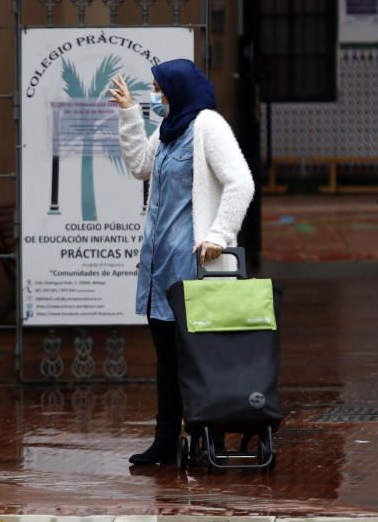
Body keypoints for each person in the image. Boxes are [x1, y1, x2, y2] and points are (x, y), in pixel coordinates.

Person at [108, 58, 255, 465]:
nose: (155, 96)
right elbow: (140, 166)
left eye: (159, 89)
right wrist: (128, 113)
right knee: (168, 359)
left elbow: (240, 182)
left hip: (195, 268)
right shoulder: (169, 131)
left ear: (177, 90)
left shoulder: (208, 125)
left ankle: (211, 438)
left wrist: (218, 236)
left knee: (200, 360)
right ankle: (166, 441)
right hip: (160, 269)